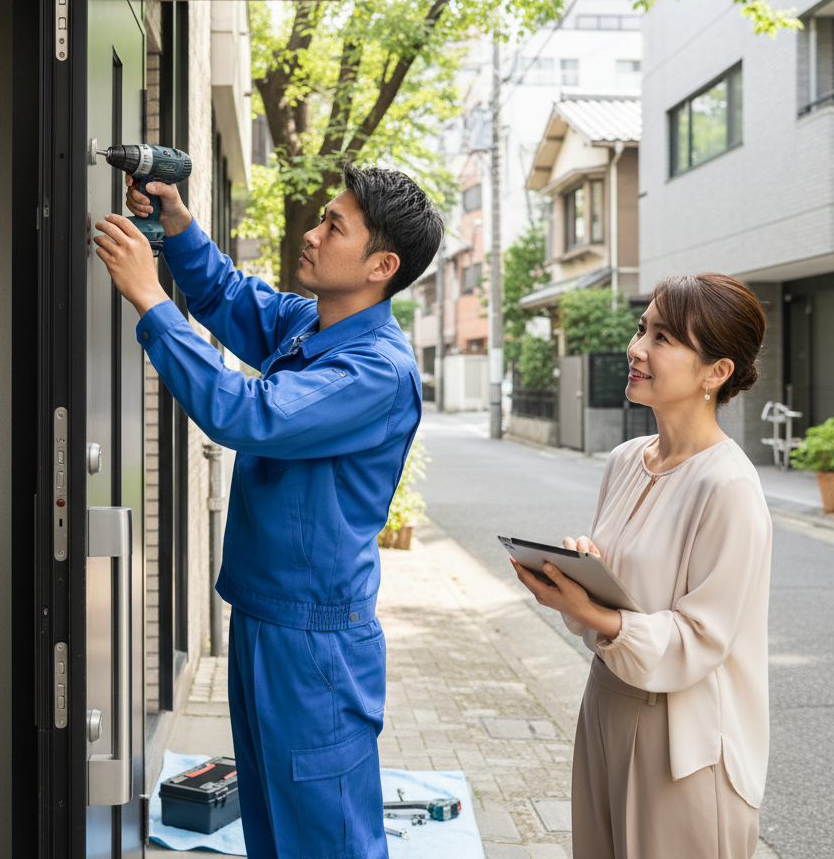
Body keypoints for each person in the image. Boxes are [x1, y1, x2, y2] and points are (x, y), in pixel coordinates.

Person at [93, 165, 443, 859]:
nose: (311, 233)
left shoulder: (375, 370)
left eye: (333, 226)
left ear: (382, 265)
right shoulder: (310, 325)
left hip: (315, 645)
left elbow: (245, 414)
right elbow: (228, 295)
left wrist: (149, 299)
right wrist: (178, 225)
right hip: (263, 616)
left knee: (324, 838)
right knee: (273, 832)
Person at [511, 273, 771, 859]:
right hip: (606, 702)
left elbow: (704, 637)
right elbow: (627, 597)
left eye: (663, 337)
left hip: (685, 739)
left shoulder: (729, 485)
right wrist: (586, 576)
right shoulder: (627, 460)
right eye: (641, 328)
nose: (637, 348)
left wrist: (595, 615)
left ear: (716, 372)